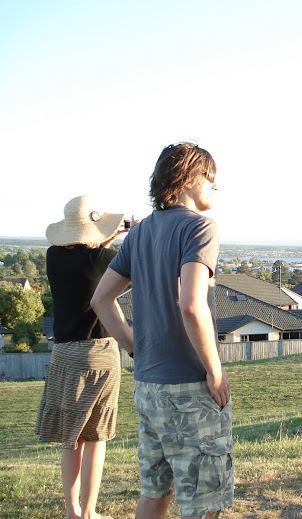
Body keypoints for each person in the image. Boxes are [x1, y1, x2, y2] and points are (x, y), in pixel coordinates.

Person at [91, 142, 233, 519]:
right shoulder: (200, 227)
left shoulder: (138, 234)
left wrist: (135, 348)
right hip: (190, 387)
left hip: (148, 387)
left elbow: (101, 299)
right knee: (203, 504)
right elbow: (190, 304)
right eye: (212, 179)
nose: (216, 188)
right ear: (190, 178)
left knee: (155, 491)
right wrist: (215, 371)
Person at [36, 194, 130, 519]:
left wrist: (106, 234)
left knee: (71, 438)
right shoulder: (105, 259)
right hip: (99, 353)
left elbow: (86, 249)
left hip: (63, 355)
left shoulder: (52, 256)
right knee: (96, 437)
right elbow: (118, 265)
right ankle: (90, 511)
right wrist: (120, 233)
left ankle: (72, 511)